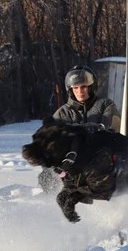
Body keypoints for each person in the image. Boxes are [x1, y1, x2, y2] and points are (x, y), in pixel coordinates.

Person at [38, 65, 121, 193]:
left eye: (83, 87)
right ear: (71, 90)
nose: (80, 91)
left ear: (91, 87)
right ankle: (52, 197)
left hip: (102, 160)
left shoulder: (106, 105)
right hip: (71, 167)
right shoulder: (62, 113)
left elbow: (112, 128)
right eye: (75, 88)